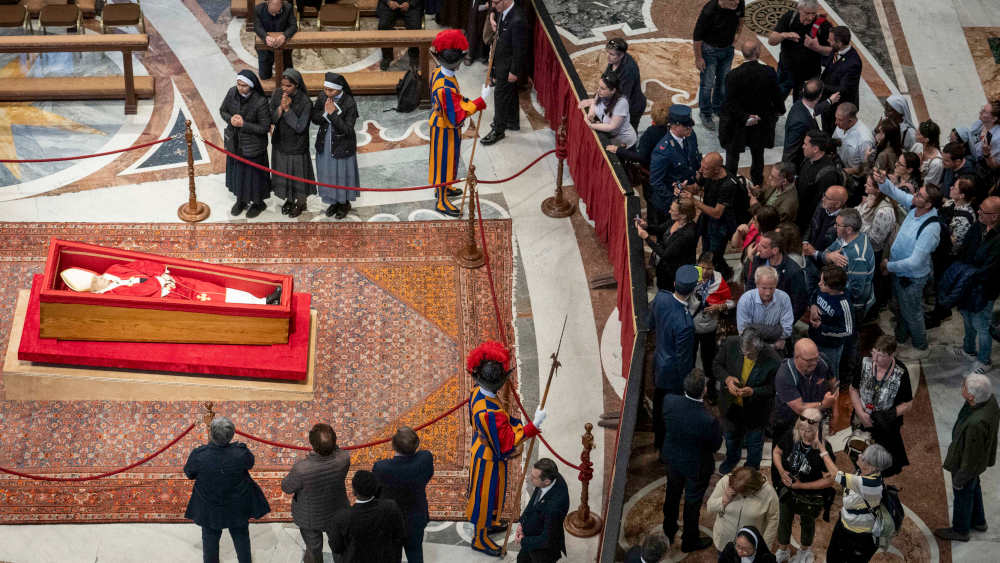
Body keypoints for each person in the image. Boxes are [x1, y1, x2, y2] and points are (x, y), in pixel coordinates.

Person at [465, 341, 544, 556]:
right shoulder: (490, 413)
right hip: (488, 459)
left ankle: (489, 523)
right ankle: (480, 538)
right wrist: (532, 426)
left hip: (482, 449)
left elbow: (501, 425)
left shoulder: (477, 393)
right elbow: (507, 442)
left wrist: (517, 424)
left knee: (492, 494)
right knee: (484, 497)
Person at [875, 170, 943, 360]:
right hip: (899, 271)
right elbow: (896, 193)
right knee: (902, 307)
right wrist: (883, 181)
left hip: (911, 277)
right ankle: (902, 335)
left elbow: (915, 262)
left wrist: (889, 266)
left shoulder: (931, 228)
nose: (914, 195)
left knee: (913, 313)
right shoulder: (915, 208)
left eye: (919, 195)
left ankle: (921, 346)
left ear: (928, 204)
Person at [183, 416, 271, 563]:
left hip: (209, 507)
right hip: (237, 505)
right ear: (232, 435)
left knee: (210, 539)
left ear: (211, 434)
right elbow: (250, 464)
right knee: (241, 536)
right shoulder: (241, 452)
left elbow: (189, 474)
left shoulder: (199, 455)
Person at [427, 30, 489, 217]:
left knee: (449, 161)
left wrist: (464, 100)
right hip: (445, 128)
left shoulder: (439, 72)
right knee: (444, 163)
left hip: (443, 124)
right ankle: (442, 199)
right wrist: (479, 101)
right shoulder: (445, 86)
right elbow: (457, 116)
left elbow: (455, 101)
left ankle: (445, 188)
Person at [661, 370, 723, 553]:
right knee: (692, 503)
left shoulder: (669, 401)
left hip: (673, 459)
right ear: (704, 390)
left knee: (672, 495)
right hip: (696, 466)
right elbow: (715, 446)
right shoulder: (708, 420)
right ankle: (689, 541)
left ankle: (668, 530)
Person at [934, 373, 999, 542]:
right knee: (974, 486)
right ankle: (979, 521)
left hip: (965, 464)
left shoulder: (975, 424)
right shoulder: (989, 401)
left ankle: (961, 530)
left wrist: (959, 478)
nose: (961, 386)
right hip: (978, 460)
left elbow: (970, 458)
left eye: (964, 386)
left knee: (962, 493)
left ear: (971, 396)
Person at [771, 407, 835, 563]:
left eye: (810, 424)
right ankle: (783, 550)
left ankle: (804, 552)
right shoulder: (791, 436)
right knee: (784, 520)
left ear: (819, 427)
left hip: (809, 496)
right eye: (802, 420)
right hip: (787, 489)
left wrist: (802, 486)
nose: (805, 428)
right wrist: (780, 471)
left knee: (807, 523)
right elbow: (777, 452)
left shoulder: (824, 448)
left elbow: (830, 479)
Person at [59, 260, 282, 305]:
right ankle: (262, 306)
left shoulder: (112, 271)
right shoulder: (109, 298)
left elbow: (139, 266)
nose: (101, 279)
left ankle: (260, 299)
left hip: (173, 282)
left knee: (216, 290)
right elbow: (138, 296)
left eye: (96, 276)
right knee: (215, 300)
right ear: (91, 290)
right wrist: (160, 282)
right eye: (96, 282)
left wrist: (160, 272)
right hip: (170, 298)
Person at [281, 423, 351, 563]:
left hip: (310, 517)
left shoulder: (302, 468)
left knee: (313, 549)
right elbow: (337, 450)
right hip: (337, 510)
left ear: (312, 444)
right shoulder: (344, 458)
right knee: (339, 547)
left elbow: (286, 487)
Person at [947, 196, 1000, 374]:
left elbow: (991, 269)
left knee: (981, 324)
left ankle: (984, 360)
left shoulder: (998, 238)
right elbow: (965, 250)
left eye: (983, 211)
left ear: (995, 216)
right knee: (967, 319)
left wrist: (969, 274)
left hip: (985, 289)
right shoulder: (978, 226)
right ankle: (968, 349)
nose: (978, 212)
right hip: (968, 283)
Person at [715, 328, 779, 474]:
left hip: (756, 410)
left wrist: (753, 391)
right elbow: (716, 365)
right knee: (731, 439)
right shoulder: (731, 343)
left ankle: (751, 470)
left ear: (759, 347)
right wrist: (727, 379)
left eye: (750, 353)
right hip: (731, 406)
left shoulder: (773, 360)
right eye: (743, 352)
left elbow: (773, 389)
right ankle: (731, 459)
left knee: (755, 444)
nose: (746, 355)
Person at [720, 40, 784, 186]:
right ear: (757, 52)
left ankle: (730, 184)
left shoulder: (733, 75)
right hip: (760, 122)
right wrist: (780, 110)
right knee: (758, 154)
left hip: (738, 123)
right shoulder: (769, 72)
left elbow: (730, 103)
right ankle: (757, 184)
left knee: (733, 155)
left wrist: (744, 118)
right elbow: (776, 95)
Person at [649, 265, 698, 449]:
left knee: (658, 403)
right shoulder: (686, 323)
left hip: (659, 363)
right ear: (693, 290)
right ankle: (664, 446)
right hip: (673, 376)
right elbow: (684, 359)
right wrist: (686, 384)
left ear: (675, 283)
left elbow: (652, 322)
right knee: (670, 412)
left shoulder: (661, 297)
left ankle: (657, 440)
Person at [849, 336, 912, 478]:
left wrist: (889, 415)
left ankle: (877, 476)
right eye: (874, 353)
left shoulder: (900, 372)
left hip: (885, 424)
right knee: (859, 449)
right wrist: (860, 412)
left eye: (881, 356)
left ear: (891, 355)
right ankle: (862, 470)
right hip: (862, 419)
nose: (875, 359)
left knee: (882, 457)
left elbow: (908, 404)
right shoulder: (864, 363)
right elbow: (853, 389)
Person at [818, 443, 892, 562]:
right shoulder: (861, 471)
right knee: (831, 557)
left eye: (863, 457)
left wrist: (822, 449)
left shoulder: (870, 484)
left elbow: (838, 476)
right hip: (844, 524)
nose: (859, 455)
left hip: (859, 536)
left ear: (871, 467)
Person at [373, 427, 434, 563]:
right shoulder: (425, 459)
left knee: (392, 556)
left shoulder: (381, 467)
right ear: (416, 445)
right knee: (415, 553)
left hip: (391, 521)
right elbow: (429, 474)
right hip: (416, 518)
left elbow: (376, 493)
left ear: (393, 446)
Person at [681, 151, 741, 279]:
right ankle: (717, 272)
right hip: (707, 218)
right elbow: (696, 188)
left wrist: (694, 201)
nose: (701, 171)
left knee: (714, 254)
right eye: (701, 166)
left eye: (705, 168)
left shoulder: (728, 184)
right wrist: (684, 188)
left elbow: (717, 213)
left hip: (721, 224)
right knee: (706, 251)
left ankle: (720, 276)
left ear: (717, 170)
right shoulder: (707, 172)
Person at [222, 71, 271, 218]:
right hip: (235, 144)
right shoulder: (232, 92)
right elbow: (223, 110)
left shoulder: (260, 101)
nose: (240, 88)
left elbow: (264, 127)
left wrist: (244, 124)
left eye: (244, 86)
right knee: (238, 174)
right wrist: (230, 119)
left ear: (251, 86)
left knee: (254, 177)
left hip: (253, 147)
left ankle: (258, 203)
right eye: (238, 84)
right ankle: (240, 200)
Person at [312, 72, 361, 220]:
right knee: (328, 173)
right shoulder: (322, 97)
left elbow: (347, 130)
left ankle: (343, 203)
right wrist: (325, 114)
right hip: (325, 142)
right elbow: (314, 118)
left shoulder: (349, 102)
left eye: (331, 90)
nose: (327, 93)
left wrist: (333, 114)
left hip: (342, 145)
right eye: (325, 89)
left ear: (339, 89)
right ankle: (333, 201)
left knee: (341, 174)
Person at [692, 0, 745, 131]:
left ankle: (718, 107)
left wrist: (737, 35)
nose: (737, 2)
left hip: (727, 50)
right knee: (707, 84)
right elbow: (697, 37)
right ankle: (705, 113)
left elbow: (741, 18)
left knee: (723, 82)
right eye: (733, 0)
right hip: (710, 51)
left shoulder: (738, 3)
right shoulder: (709, 11)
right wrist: (698, 58)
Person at [480, 0, 527, 146]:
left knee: (499, 95)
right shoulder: (503, 12)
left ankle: (498, 129)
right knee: (510, 92)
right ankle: (512, 121)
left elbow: (520, 50)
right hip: (501, 60)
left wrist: (514, 71)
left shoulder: (518, 20)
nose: (493, 5)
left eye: (496, 2)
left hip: (508, 66)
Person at [269, 68, 314, 218]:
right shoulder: (277, 94)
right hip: (281, 143)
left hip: (297, 146)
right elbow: (271, 118)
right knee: (284, 174)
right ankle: (288, 199)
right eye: (283, 85)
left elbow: (300, 127)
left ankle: (301, 203)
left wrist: (288, 110)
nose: (284, 89)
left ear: (297, 85)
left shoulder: (305, 102)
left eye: (288, 86)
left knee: (298, 176)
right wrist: (280, 109)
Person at [332, 470, 406, 562]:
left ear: (354, 492)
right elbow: (400, 536)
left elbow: (336, 548)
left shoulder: (342, 517)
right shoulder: (391, 507)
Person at [771, 339, 837, 441]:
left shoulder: (822, 361)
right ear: (796, 357)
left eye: (816, 358)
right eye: (809, 360)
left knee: (813, 451)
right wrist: (823, 404)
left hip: (815, 419)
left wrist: (834, 412)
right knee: (783, 452)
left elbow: (833, 384)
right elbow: (800, 408)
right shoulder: (785, 374)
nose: (814, 363)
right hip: (788, 422)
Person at [690, 252, 734, 403]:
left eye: (709, 268)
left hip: (709, 328)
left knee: (709, 360)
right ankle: (690, 387)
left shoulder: (719, 280)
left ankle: (711, 390)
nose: (705, 272)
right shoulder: (691, 276)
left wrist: (719, 306)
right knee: (689, 358)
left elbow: (731, 303)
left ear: (714, 267)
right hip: (691, 326)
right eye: (702, 267)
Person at [768, 0, 831, 101]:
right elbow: (771, 41)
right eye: (807, 13)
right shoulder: (789, 17)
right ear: (799, 9)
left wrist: (817, 48)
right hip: (786, 70)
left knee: (801, 105)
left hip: (808, 76)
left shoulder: (823, 25)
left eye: (813, 13)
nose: (810, 17)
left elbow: (831, 51)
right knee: (777, 99)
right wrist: (784, 35)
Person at [648, 105, 701, 225]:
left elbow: (694, 159)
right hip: (670, 204)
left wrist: (697, 180)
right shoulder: (662, 151)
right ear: (674, 126)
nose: (690, 129)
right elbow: (656, 182)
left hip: (687, 195)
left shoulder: (690, 136)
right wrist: (675, 203)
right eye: (686, 126)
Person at [708, 467, 779, 552]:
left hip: (748, 548)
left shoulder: (769, 493)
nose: (738, 494)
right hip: (724, 543)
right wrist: (724, 499)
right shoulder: (726, 481)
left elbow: (773, 521)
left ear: (752, 490)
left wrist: (764, 547)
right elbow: (710, 507)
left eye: (741, 492)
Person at [744, 230, 809, 321]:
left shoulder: (793, 271)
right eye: (759, 244)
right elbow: (751, 284)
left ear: (775, 250)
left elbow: (799, 305)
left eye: (763, 247)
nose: (758, 249)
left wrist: (783, 325)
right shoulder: (759, 260)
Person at [514, 458, 570, 562]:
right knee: (522, 559)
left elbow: (546, 539)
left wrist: (523, 541)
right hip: (532, 534)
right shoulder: (551, 477)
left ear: (547, 481)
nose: (529, 478)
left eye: (534, 477)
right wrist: (522, 522)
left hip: (543, 551)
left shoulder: (554, 507)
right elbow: (534, 501)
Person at [635, 199, 698, 290]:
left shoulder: (688, 234)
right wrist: (646, 226)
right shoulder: (675, 220)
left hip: (674, 272)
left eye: (672, 210)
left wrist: (646, 238)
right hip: (664, 267)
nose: (669, 211)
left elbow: (665, 254)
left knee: (668, 292)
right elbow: (660, 229)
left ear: (683, 215)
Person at [808, 264, 852, 382]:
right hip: (814, 337)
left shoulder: (844, 305)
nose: (819, 283)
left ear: (833, 287)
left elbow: (847, 331)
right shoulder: (822, 290)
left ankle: (833, 394)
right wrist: (813, 305)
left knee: (830, 372)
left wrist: (823, 328)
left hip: (830, 347)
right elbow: (814, 293)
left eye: (823, 282)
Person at [795, 130, 843, 231]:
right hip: (799, 211)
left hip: (808, 221)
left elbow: (822, 205)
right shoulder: (808, 159)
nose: (803, 146)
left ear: (815, 149)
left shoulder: (828, 175)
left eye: (805, 144)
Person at [817, 26, 861, 134]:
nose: (828, 41)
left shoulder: (853, 63)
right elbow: (830, 66)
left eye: (830, 40)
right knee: (826, 129)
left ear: (840, 43)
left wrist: (821, 86)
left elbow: (844, 89)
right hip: (828, 102)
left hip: (839, 108)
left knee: (834, 134)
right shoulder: (836, 50)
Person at [736, 265, 794, 346]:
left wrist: (754, 328)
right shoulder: (745, 300)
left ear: (776, 284)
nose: (768, 293)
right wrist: (775, 335)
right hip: (752, 348)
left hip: (774, 351)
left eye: (771, 288)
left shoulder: (784, 298)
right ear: (756, 284)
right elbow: (743, 332)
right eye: (764, 288)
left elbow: (787, 330)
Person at [580, 72, 638, 148]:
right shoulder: (601, 93)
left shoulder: (621, 103)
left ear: (613, 90)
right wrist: (591, 114)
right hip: (609, 136)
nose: (598, 90)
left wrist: (591, 125)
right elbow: (594, 103)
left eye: (603, 88)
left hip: (623, 140)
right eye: (599, 86)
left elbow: (611, 126)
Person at [607, 100, 670, 167]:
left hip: (650, 163)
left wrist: (618, 150)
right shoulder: (671, 128)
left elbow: (641, 157)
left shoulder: (650, 133)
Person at [602, 37, 646, 131]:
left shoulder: (628, 71)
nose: (608, 56)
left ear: (621, 55)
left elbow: (622, 98)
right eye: (607, 52)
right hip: (624, 104)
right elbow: (605, 78)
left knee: (627, 135)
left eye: (611, 54)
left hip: (632, 108)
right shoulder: (614, 59)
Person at [783, 78, 822, 170]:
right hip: (800, 166)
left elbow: (813, 110)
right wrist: (787, 175)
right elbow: (790, 152)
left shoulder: (799, 104)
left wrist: (830, 101)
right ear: (820, 96)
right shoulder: (799, 123)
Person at [254, 0, 296, 81]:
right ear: (267, 3)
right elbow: (257, 27)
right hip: (265, 45)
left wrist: (284, 36)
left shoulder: (288, 8)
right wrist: (265, 37)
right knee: (264, 76)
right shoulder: (258, 9)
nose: (276, 7)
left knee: (288, 75)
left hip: (283, 45)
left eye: (278, 4)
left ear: (282, 3)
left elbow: (293, 26)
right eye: (273, 4)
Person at [377, 0, 423, 71]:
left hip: (410, 5)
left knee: (415, 26)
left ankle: (414, 55)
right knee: (383, 26)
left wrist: (409, 4)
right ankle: (387, 56)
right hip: (389, 5)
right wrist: (388, 2)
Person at [832, 103, 873, 178]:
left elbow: (865, 166)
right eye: (836, 118)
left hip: (853, 177)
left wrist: (842, 172)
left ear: (850, 121)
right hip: (839, 164)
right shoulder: (841, 125)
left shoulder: (864, 140)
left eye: (839, 120)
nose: (836, 122)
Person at [804, 184, 848, 254]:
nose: (823, 199)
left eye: (827, 198)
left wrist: (815, 253)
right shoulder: (821, 205)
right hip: (808, 249)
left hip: (821, 258)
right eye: (824, 195)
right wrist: (805, 242)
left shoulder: (845, 222)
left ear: (837, 204)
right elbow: (811, 225)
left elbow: (835, 250)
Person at [913, 119, 944, 186]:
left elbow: (928, 185)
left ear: (926, 140)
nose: (915, 134)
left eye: (918, 134)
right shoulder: (917, 146)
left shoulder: (937, 163)